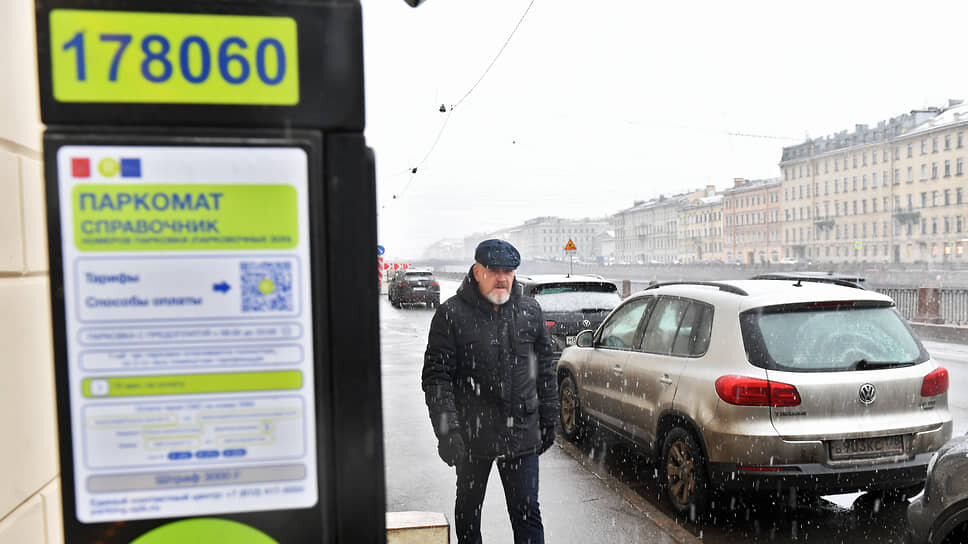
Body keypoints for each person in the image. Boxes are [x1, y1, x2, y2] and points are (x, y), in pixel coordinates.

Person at [422, 239, 558, 544]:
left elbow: (545, 369)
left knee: (527, 515)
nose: (502, 278)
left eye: (508, 271)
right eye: (494, 270)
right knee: (469, 514)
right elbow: (436, 378)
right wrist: (448, 432)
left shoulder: (529, 311)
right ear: (477, 270)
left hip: (520, 433)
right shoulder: (451, 314)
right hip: (471, 435)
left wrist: (550, 418)